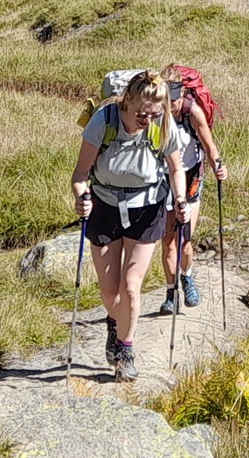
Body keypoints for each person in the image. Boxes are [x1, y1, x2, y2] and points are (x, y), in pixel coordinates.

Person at [71, 68, 190, 381]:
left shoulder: (162, 125)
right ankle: (115, 323)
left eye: (154, 114)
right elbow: (80, 174)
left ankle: (125, 349)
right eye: (142, 114)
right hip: (105, 207)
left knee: (131, 288)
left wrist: (181, 201)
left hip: (147, 208)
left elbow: (176, 168)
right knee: (110, 294)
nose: (147, 121)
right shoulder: (105, 121)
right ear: (127, 101)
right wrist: (82, 197)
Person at [157, 65, 225, 314]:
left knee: (184, 239)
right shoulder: (155, 112)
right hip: (163, 179)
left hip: (191, 176)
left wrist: (218, 166)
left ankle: (187, 276)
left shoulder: (192, 111)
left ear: (182, 94)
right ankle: (170, 293)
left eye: (173, 101)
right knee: (167, 242)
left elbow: (209, 146)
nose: (170, 106)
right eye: (165, 101)